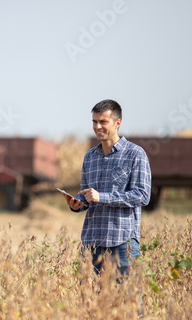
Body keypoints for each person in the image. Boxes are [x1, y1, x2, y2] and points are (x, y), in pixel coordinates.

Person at [63, 99, 152, 277]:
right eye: (94, 122)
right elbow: (87, 195)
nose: (97, 127)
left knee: (129, 300)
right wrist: (77, 204)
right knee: (91, 301)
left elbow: (142, 196)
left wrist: (101, 197)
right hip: (92, 242)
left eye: (103, 122)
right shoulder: (90, 157)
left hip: (122, 241)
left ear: (118, 123)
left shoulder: (135, 154)